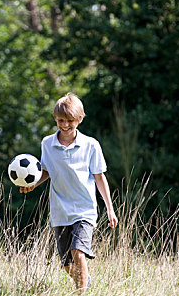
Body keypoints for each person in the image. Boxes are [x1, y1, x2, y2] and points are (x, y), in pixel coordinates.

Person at [20, 93, 118, 293]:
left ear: (80, 119)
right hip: (60, 211)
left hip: (84, 210)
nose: (65, 125)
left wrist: (110, 209)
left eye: (70, 121)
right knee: (66, 264)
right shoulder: (47, 144)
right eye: (60, 120)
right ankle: (84, 280)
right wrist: (33, 184)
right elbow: (46, 170)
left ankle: (81, 292)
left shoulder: (91, 145)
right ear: (55, 118)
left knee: (77, 251)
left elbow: (99, 177)